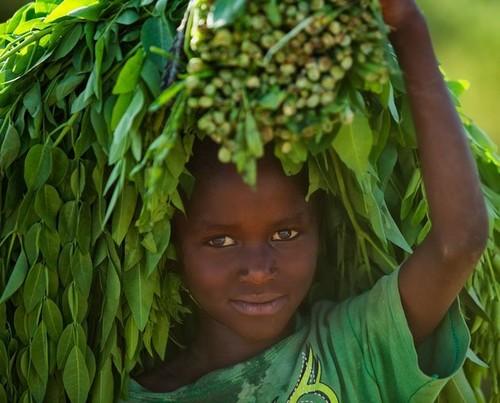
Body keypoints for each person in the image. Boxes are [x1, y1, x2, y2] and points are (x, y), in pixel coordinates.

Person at [122, 0, 489, 401]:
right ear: (172, 248)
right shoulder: (140, 396)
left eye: (286, 233)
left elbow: (458, 243)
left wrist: (407, 27)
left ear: (321, 232)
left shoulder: (354, 349)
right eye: (220, 241)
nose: (259, 271)